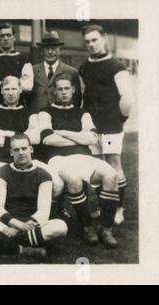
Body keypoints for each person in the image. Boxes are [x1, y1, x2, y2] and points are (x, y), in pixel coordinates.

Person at [39, 72, 121, 248]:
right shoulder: (45, 112)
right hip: (57, 158)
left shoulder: (82, 112)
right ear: (54, 91)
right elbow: (48, 139)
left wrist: (62, 132)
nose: (63, 92)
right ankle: (87, 226)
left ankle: (106, 228)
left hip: (83, 156)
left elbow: (92, 139)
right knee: (73, 179)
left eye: (66, 89)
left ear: (73, 90)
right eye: (59, 89)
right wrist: (78, 137)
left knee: (111, 175)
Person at [0, 134, 68, 259]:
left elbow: (44, 211)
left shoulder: (43, 174)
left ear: (31, 149)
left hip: (32, 225)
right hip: (6, 224)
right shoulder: (2, 172)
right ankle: (21, 249)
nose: (21, 153)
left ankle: (1, 243)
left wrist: (20, 229)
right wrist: (18, 226)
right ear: (11, 152)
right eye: (16, 150)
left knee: (60, 227)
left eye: (24, 148)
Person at [0, 76, 64, 215]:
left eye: (14, 89)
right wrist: (22, 135)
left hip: (29, 160)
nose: (11, 93)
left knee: (58, 183)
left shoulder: (30, 113)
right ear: (1, 91)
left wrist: (4, 134)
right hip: (1, 160)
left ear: (20, 90)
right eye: (7, 89)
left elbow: (36, 138)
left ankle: (49, 214)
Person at [79, 25, 134, 225]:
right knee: (97, 166)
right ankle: (104, 207)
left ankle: (119, 208)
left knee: (113, 164)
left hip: (111, 124)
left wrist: (120, 120)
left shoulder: (117, 66)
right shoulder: (84, 66)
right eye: (87, 41)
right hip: (93, 126)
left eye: (95, 40)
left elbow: (127, 98)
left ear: (104, 39)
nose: (91, 44)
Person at [0, 23, 33, 108]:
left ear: (14, 37)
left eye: (8, 35)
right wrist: (16, 83)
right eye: (2, 36)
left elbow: (28, 86)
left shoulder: (24, 59)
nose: (5, 38)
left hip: (18, 107)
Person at [30, 31, 82, 113]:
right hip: (37, 118)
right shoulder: (32, 71)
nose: (50, 52)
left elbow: (77, 100)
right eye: (47, 49)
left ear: (59, 50)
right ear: (42, 51)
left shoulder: (71, 72)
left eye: (53, 48)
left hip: (62, 119)